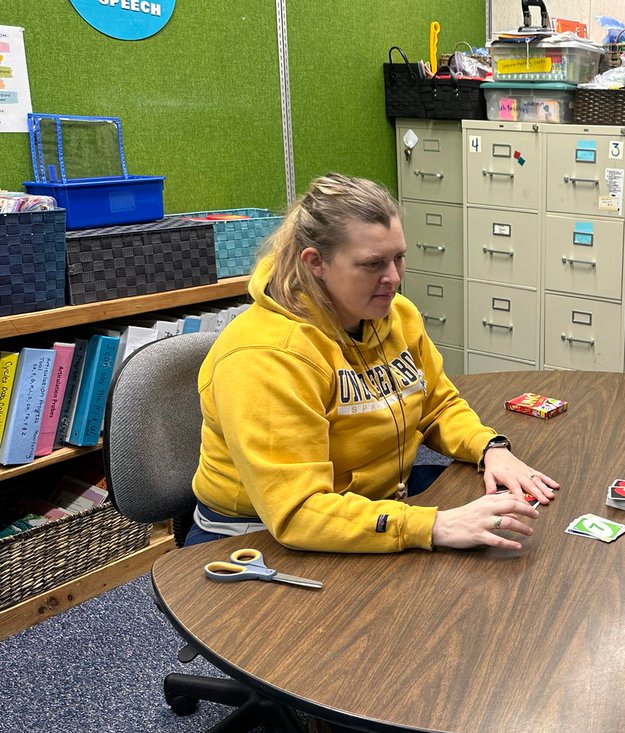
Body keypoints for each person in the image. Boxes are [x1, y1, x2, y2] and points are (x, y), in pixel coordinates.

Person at [188, 173, 559, 551]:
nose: (394, 278)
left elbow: (437, 404)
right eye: (373, 264)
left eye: (399, 258)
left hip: (375, 504)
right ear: (316, 263)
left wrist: (489, 447)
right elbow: (297, 512)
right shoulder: (266, 355)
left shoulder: (396, 315)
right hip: (261, 535)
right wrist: (431, 526)